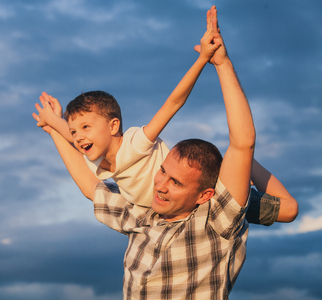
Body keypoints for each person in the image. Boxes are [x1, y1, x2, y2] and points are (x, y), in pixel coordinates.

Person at [33, 6, 297, 299]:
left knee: (286, 208)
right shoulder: (142, 212)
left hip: (224, 190)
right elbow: (89, 185)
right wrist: (52, 129)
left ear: (204, 195)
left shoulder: (215, 220)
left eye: (176, 182)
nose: (161, 185)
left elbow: (242, 142)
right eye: (163, 172)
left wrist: (220, 64)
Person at [33, 16, 222, 207]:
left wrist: (203, 58)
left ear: (113, 126)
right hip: (164, 210)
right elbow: (72, 136)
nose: (78, 137)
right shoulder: (98, 157)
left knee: (245, 201)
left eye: (86, 127)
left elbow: (174, 102)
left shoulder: (135, 143)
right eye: (75, 131)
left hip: (198, 195)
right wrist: (53, 119)